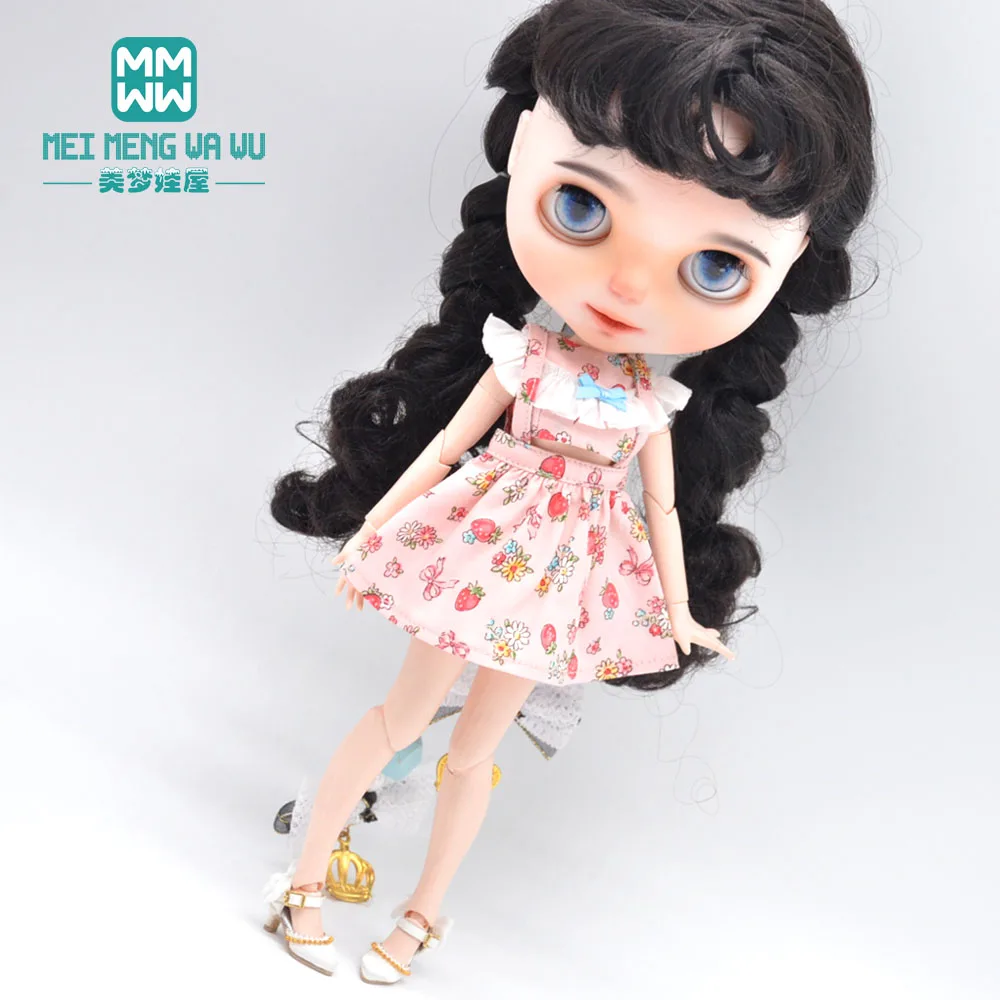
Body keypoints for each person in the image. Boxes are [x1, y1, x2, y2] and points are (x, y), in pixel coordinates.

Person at [262, 0, 877, 983]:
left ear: (791, 264)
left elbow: (661, 511)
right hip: (473, 561)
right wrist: (374, 527)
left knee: (474, 755)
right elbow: (448, 449)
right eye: (581, 207)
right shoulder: (522, 357)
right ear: (521, 150)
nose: (627, 287)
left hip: (554, 592)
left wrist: (680, 611)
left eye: (715, 264)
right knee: (397, 719)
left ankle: (421, 915)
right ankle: (302, 885)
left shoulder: (650, 402)